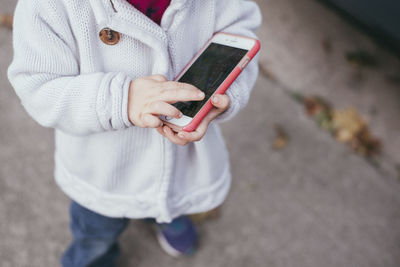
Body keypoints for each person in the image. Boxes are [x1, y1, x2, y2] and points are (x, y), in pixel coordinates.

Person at [7, 0, 261, 266]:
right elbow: (38, 86)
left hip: (179, 164)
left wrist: (225, 91)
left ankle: (162, 214)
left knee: (172, 198)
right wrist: (120, 99)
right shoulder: (51, 6)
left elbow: (240, 30)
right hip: (103, 172)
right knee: (96, 236)